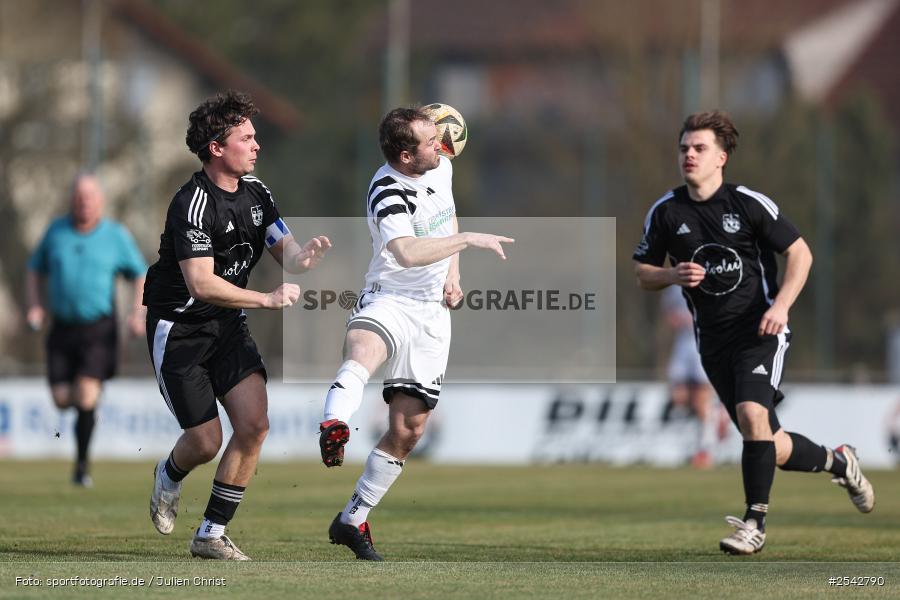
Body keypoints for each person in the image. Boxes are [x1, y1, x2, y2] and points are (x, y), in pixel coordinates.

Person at [633, 110, 874, 555]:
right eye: (684, 147)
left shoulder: (747, 203)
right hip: (712, 343)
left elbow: (800, 254)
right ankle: (839, 461)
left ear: (721, 157)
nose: (689, 154)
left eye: (699, 148)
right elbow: (642, 273)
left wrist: (781, 306)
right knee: (770, 442)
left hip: (760, 330)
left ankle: (753, 523)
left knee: (750, 415)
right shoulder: (666, 212)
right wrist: (670, 276)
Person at [143, 90, 331, 561]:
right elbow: (202, 284)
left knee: (254, 424)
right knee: (206, 442)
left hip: (227, 327)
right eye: (246, 137)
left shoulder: (257, 193)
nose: (256, 145)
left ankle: (210, 533)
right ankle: (168, 474)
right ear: (217, 148)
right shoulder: (191, 204)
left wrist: (303, 258)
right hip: (181, 331)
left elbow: (285, 250)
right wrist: (266, 298)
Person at [319, 107, 513, 561]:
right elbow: (405, 252)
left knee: (409, 430)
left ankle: (352, 520)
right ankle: (334, 423)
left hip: (432, 314)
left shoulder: (439, 166)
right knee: (363, 349)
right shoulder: (387, 189)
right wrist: (467, 244)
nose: (442, 145)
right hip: (390, 296)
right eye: (431, 141)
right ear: (406, 156)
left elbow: (448, 217)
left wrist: (454, 272)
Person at [26, 174, 148, 487]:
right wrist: (35, 306)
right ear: (72, 200)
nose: (84, 202)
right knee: (62, 399)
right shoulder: (56, 231)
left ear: (100, 201)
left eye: (90, 196)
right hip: (62, 327)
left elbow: (140, 274)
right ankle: (88, 405)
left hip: (99, 328)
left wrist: (137, 313)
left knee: (85, 393)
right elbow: (34, 269)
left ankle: (81, 467)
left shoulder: (115, 235)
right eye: (79, 196)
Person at [659, 284, 718, 468]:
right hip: (683, 345)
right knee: (678, 397)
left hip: (703, 343)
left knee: (701, 401)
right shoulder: (673, 286)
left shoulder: (710, 276)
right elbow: (669, 312)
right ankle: (695, 442)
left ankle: (704, 451)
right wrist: (675, 319)